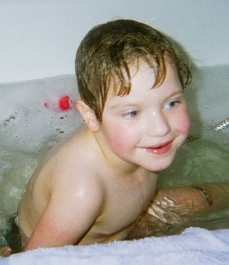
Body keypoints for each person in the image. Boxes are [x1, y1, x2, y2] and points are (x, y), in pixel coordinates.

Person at [17, 19, 195, 251]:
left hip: (123, 227)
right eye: (132, 112)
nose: (161, 128)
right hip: (73, 254)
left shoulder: (140, 144)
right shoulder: (83, 191)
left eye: (172, 103)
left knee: (206, 197)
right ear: (90, 116)